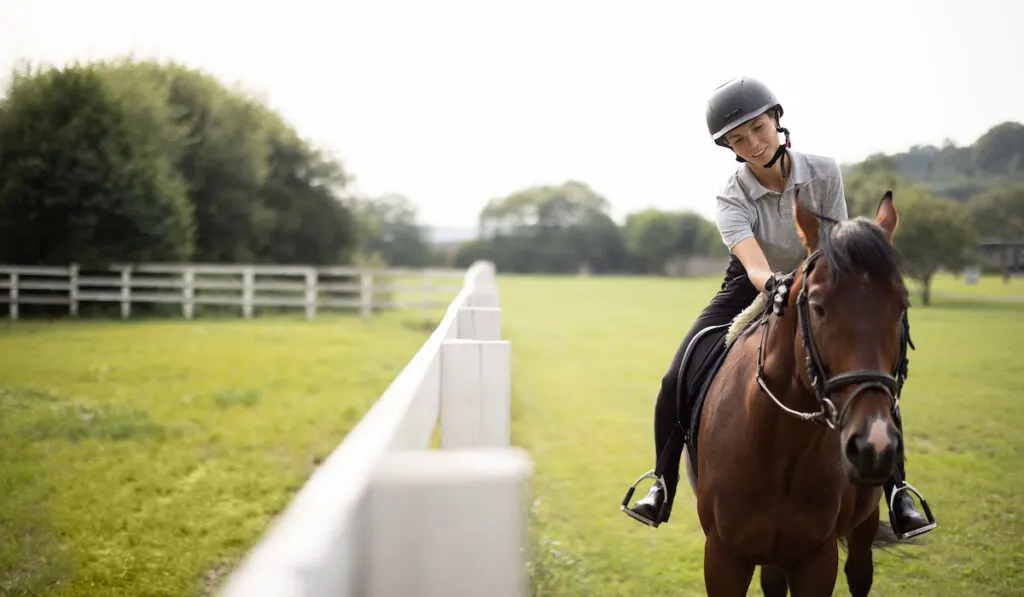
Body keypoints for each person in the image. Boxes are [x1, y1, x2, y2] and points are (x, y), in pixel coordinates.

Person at [620, 76, 937, 540]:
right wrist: (780, 287)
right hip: (753, 285)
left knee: (868, 371)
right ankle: (661, 482)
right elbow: (753, 266)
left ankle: (896, 489)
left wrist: (828, 289)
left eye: (758, 128)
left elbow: (837, 244)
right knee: (677, 372)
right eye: (737, 139)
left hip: (820, 280)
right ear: (729, 146)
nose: (751, 143)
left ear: (777, 120)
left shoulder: (825, 171)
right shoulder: (731, 194)